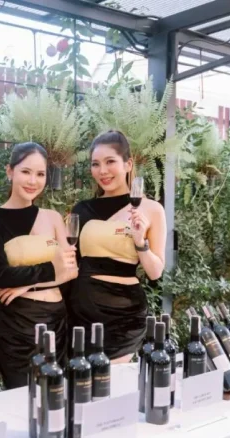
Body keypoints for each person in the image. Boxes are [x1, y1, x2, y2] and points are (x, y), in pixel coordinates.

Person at [0, 142, 77, 389]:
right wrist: (52, 269)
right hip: (16, 324)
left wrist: (26, 285)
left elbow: (71, 270)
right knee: (22, 397)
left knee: (56, 395)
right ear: (10, 171)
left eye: (40, 174)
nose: (33, 181)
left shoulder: (53, 217)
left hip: (56, 321)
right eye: (26, 171)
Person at [68, 130, 166, 362]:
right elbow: (68, 264)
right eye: (95, 164)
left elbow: (155, 272)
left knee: (111, 381)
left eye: (110, 161)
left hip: (124, 316)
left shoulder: (150, 209)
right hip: (82, 313)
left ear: (128, 164)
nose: (102, 171)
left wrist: (140, 243)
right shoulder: (81, 209)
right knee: (82, 382)